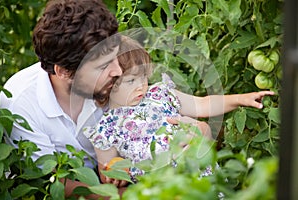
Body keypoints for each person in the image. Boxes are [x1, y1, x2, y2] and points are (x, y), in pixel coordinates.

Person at [83, 36, 275, 187]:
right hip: (167, 189)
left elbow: (203, 104)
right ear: (108, 85)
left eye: (144, 77)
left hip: (202, 175)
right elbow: (106, 173)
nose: (142, 86)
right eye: (131, 81)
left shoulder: (160, 93)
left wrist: (240, 99)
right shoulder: (106, 129)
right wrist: (117, 170)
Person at [0, 0, 123, 198]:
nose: (118, 70)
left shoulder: (113, 80)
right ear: (64, 72)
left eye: (116, 57)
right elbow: (56, 183)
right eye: (103, 66)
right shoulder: (20, 103)